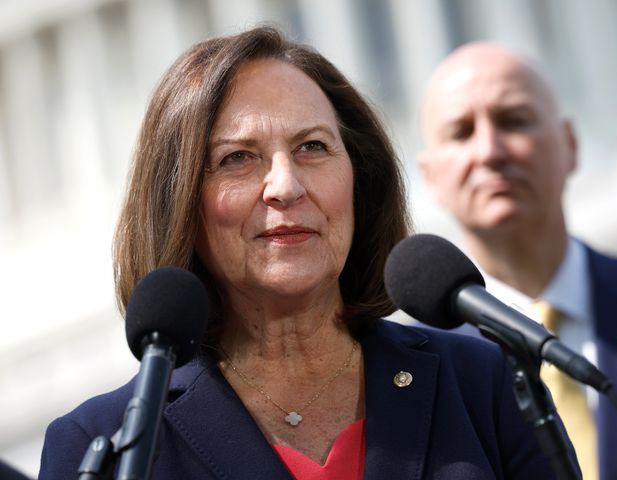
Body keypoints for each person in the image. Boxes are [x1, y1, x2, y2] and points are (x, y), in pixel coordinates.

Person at [38, 28, 568, 479]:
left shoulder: (479, 379)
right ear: (179, 205)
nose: (285, 186)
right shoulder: (101, 444)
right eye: (238, 158)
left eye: (312, 147)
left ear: (359, 177)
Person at [418, 41, 617, 480]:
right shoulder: (413, 372)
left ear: (570, 145)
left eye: (513, 121)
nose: (489, 151)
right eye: (461, 133)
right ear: (431, 178)